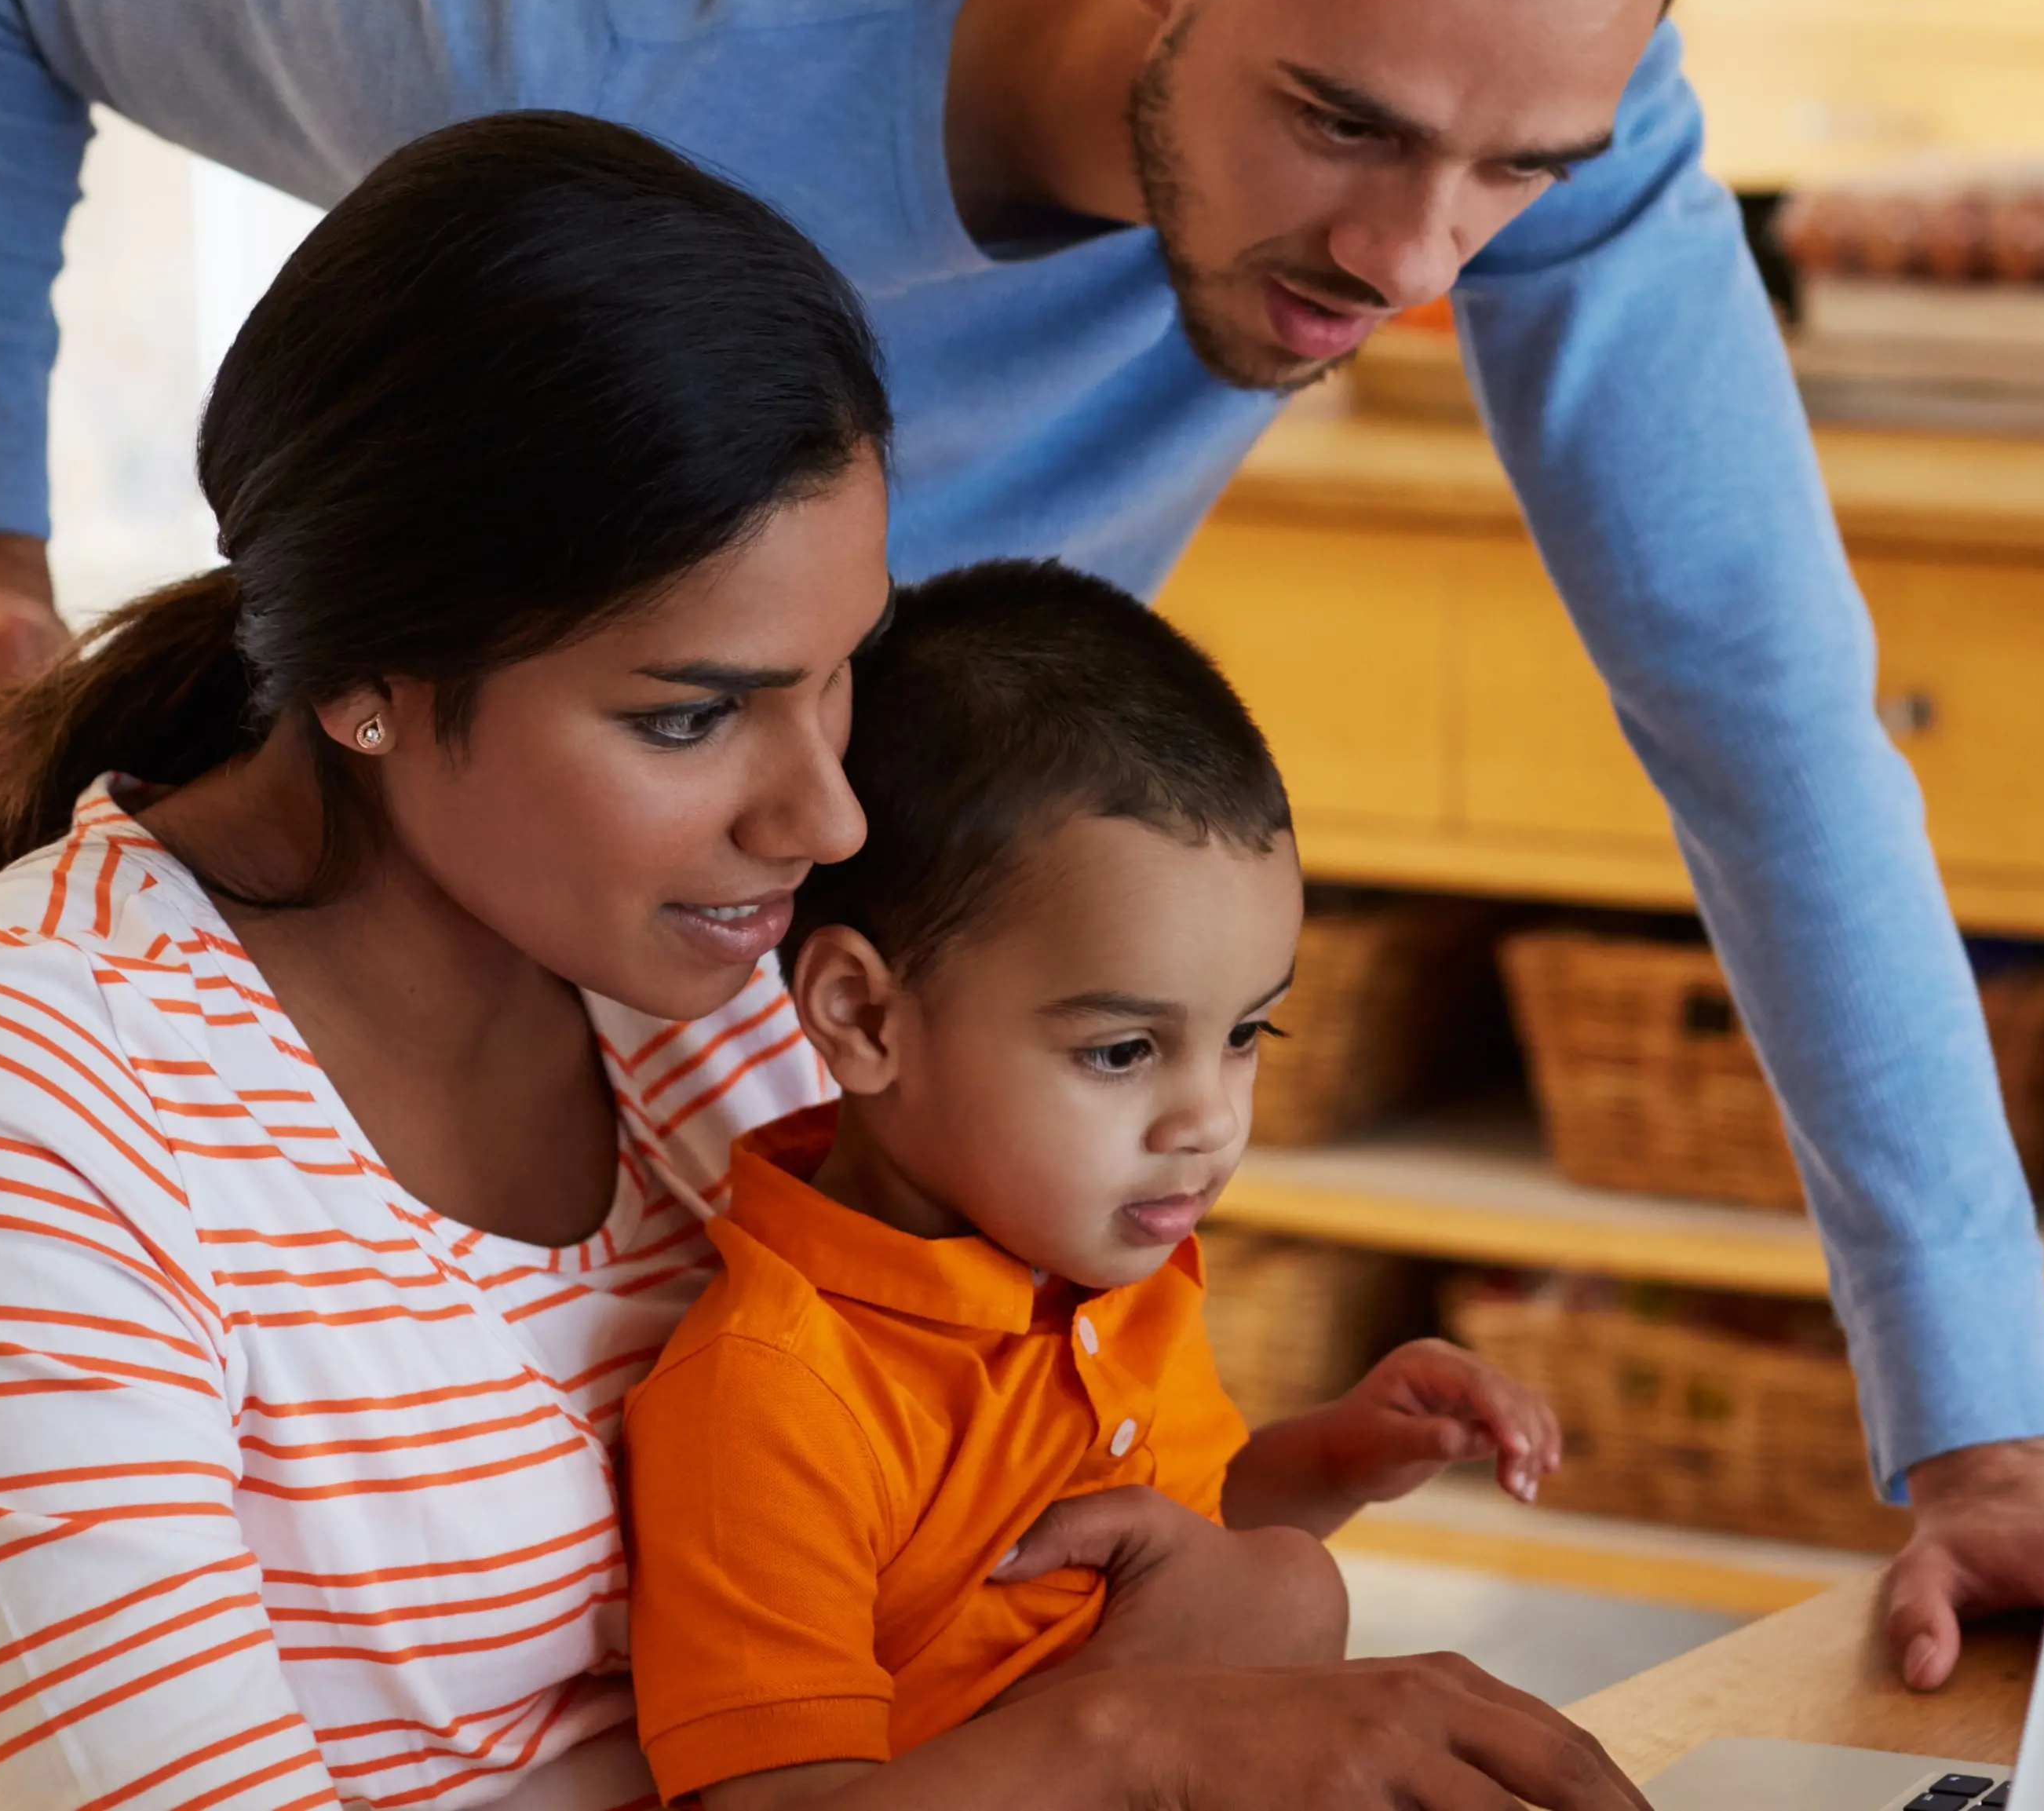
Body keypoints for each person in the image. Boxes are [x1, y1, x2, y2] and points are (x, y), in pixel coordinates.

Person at [0, 0, 2044, 1677]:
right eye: (1341, 125)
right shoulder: (567, 17)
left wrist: (1987, 1439)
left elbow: (1768, 722)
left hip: (757, 1030)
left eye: (1514, 173)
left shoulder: (1511, 91)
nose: (1407, 267)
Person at [0, 109, 1642, 1811]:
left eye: (834, 679)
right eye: (691, 717)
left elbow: (991, 1523)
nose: (820, 821)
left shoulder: (739, 998)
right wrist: (1121, 1741)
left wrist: (1222, 1597)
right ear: (365, 687)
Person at [626, 559, 1576, 1808]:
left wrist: (1332, 1460)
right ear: (861, 1015)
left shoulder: (1096, 1264)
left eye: (1246, 1035)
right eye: (1120, 1051)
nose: (1207, 1120)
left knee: (1285, 1578)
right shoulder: (773, 1392)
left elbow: (1151, 1551)